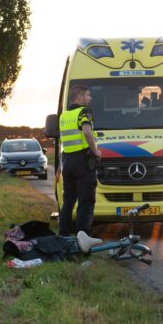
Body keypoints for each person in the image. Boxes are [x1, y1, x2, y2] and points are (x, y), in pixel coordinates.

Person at [58, 84, 102, 237]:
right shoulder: (84, 112)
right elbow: (87, 133)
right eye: (88, 95)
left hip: (68, 160)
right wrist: (96, 152)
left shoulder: (64, 116)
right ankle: (83, 236)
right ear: (80, 97)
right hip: (83, 160)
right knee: (86, 201)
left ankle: (63, 235)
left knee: (68, 201)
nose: (90, 98)